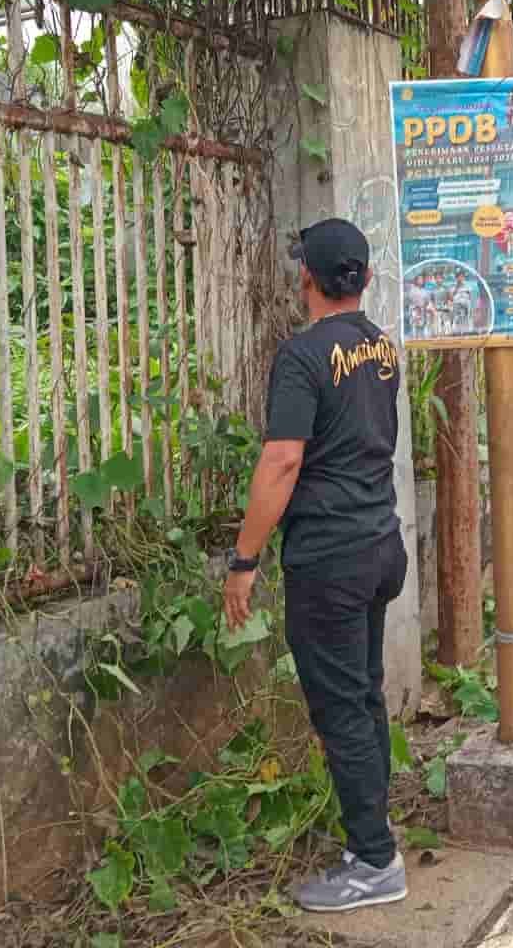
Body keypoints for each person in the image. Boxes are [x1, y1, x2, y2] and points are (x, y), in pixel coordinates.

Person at [221, 218, 409, 913]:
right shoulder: (380, 348)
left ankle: (374, 861)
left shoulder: (302, 356)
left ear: (308, 280)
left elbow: (283, 459)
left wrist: (245, 558)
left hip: (330, 558)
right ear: (361, 278)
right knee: (363, 696)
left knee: (342, 710)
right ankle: (373, 835)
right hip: (381, 546)